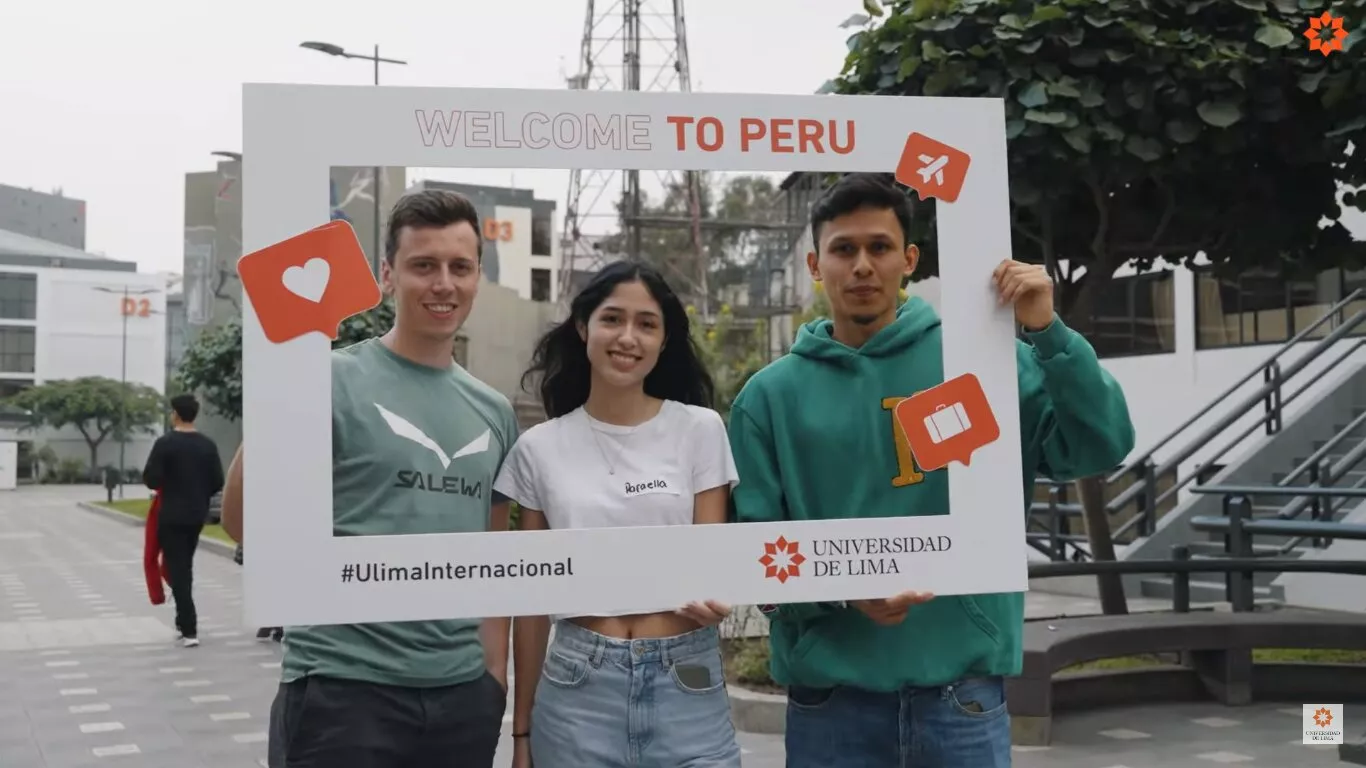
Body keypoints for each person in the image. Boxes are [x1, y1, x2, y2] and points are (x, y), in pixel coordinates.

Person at [727, 173, 1136, 768]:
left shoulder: (983, 364)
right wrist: (840, 592)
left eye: (880, 247)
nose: (862, 265)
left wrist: (1049, 333)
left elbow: (1101, 446)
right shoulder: (766, 399)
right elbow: (754, 554)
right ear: (816, 264)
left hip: (962, 700)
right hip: (830, 709)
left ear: (909, 260)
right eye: (844, 249)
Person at [220, 189, 520, 768]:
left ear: (477, 277)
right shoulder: (326, 379)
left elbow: (492, 559)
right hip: (342, 689)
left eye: (460, 267)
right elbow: (243, 524)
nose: (444, 284)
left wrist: (493, 680)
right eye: (423, 265)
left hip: (462, 698)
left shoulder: (495, 411)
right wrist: (283, 389)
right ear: (387, 275)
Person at [493, 260, 744, 768]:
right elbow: (531, 603)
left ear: (664, 340)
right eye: (612, 319)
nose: (628, 337)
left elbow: (711, 561)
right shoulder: (538, 448)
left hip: (686, 681)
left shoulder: (700, 430)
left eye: (647, 324)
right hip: (576, 689)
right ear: (583, 326)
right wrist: (522, 734)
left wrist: (718, 598)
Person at [142, 393, 225, 648]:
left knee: (179, 569)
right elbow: (218, 481)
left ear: (176, 414)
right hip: (196, 515)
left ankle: (189, 628)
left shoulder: (165, 444)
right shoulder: (207, 445)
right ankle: (182, 621)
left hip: (171, 515)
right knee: (183, 565)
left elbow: (151, 479)